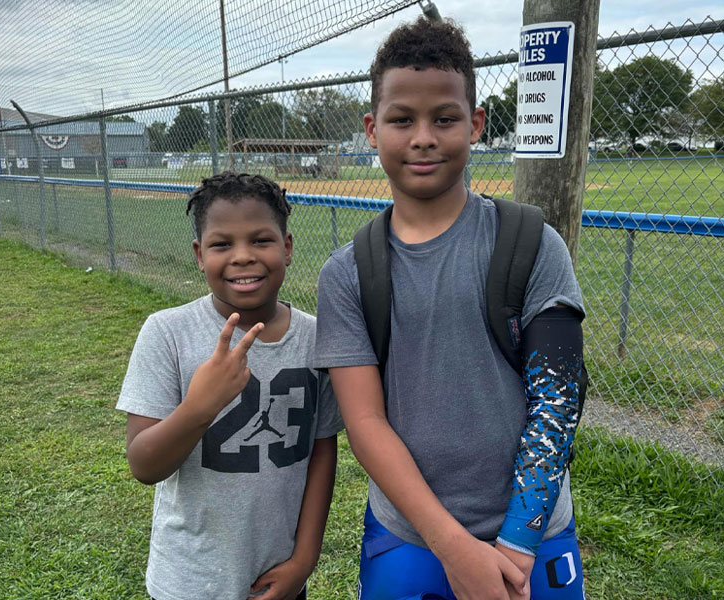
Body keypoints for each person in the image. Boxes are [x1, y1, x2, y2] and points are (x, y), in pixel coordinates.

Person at [315, 17, 586, 600]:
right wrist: (454, 548)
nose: (423, 137)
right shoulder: (346, 273)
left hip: (533, 540)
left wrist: (516, 543)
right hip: (409, 539)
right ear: (371, 129)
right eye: (401, 120)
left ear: (476, 124)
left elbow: (558, 400)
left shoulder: (532, 243)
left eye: (444, 118)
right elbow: (365, 423)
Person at [117, 172, 343, 600]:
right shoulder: (168, 333)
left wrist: (304, 560)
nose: (243, 257)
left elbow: (321, 451)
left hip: (279, 577)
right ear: (199, 255)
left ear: (287, 247)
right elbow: (144, 465)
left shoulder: (318, 339)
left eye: (261, 240)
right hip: (189, 580)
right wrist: (200, 407)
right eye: (222, 244)